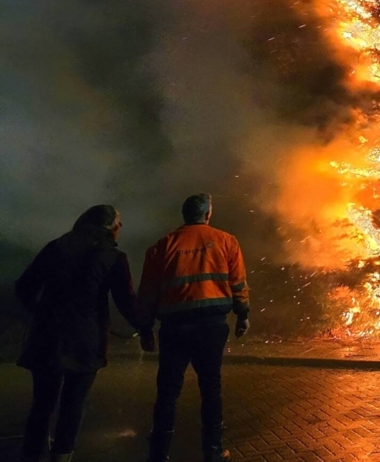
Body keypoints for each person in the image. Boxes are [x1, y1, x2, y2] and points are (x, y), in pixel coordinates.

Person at [14, 204, 151, 462]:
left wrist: (41, 314)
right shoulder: (112, 258)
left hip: (47, 338)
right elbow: (127, 302)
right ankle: (61, 456)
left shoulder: (56, 247)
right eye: (119, 225)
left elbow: (24, 287)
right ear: (112, 227)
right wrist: (144, 328)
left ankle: (31, 455)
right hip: (85, 342)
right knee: (73, 404)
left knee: (42, 405)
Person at [137, 193, 250, 462]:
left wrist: (145, 329)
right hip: (211, 327)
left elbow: (148, 293)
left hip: (174, 328)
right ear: (208, 215)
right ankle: (212, 450)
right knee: (211, 387)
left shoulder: (162, 246)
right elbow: (238, 284)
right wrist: (243, 315)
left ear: (184, 215)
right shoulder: (227, 241)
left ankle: (159, 452)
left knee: (167, 391)